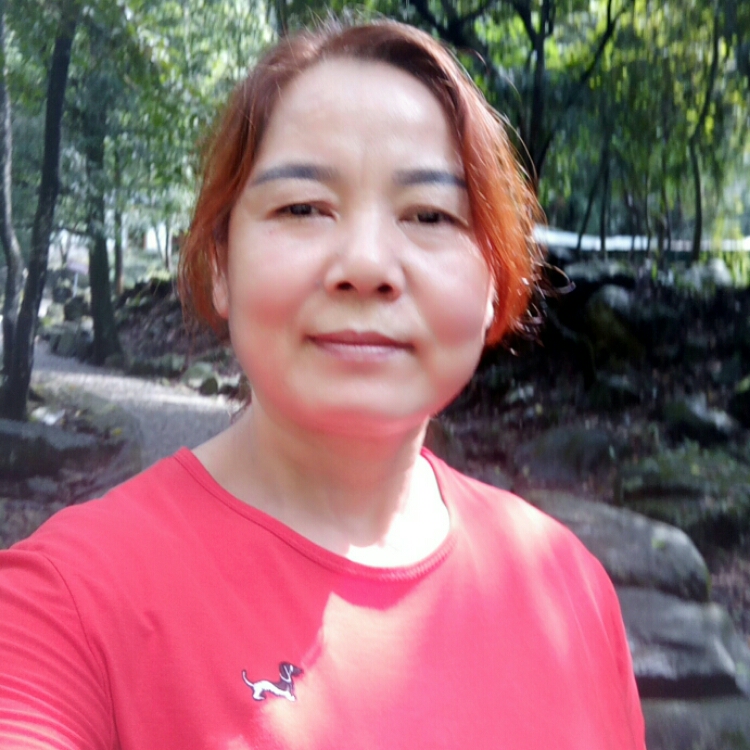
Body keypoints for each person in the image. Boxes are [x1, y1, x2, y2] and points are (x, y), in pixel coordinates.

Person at [0, 19, 646, 749]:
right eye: (302, 208)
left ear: (495, 279)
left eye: (430, 215)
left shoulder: (569, 588)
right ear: (221, 264)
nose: (366, 265)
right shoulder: (65, 609)